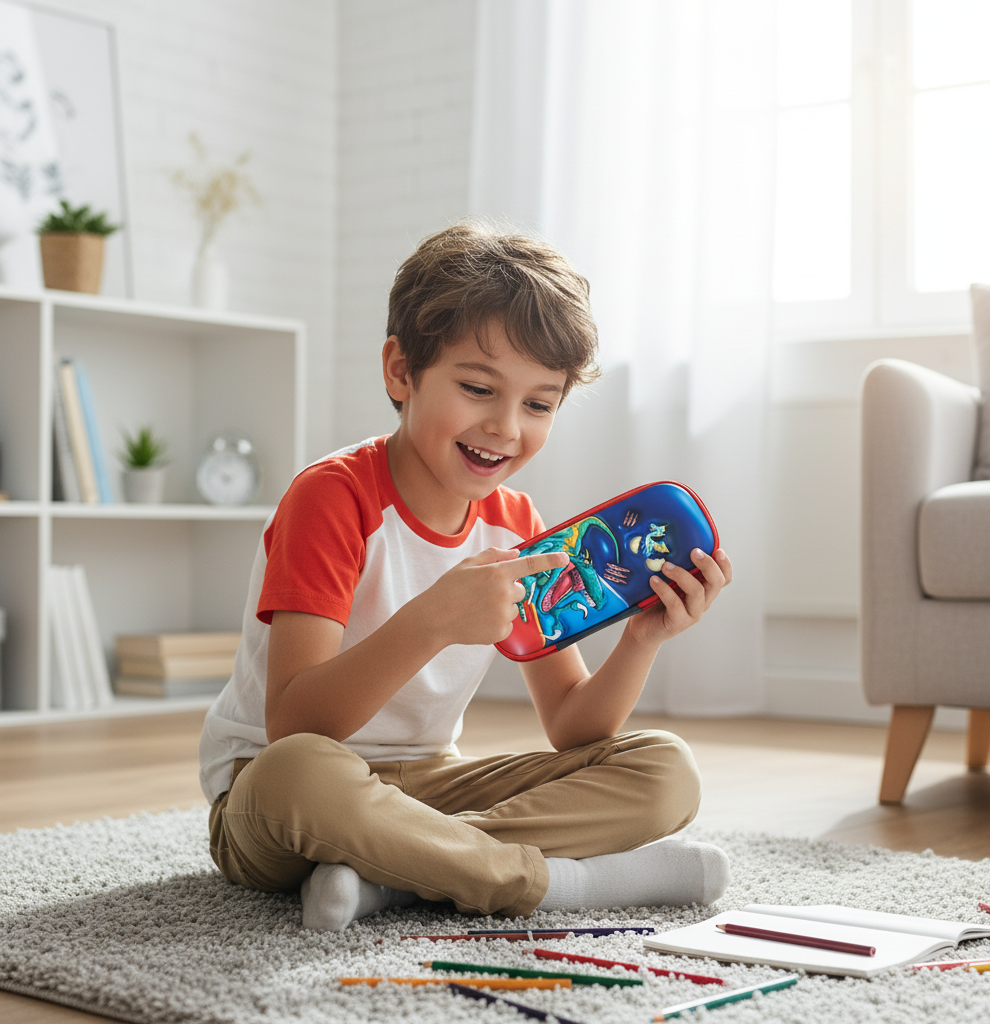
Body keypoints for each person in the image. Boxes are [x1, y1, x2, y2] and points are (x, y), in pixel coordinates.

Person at [198, 221, 734, 931]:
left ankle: (395, 877)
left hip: (427, 792)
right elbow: (297, 726)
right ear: (401, 371)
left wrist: (641, 639)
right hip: (279, 798)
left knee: (665, 770)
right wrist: (432, 621)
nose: (507, 426)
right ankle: (550, 885)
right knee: (299, 774)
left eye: (539, 403)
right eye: (479, 388)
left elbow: (574, 727)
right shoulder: (330, 498)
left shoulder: (515, 525)